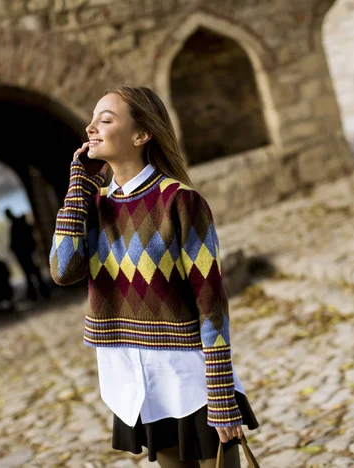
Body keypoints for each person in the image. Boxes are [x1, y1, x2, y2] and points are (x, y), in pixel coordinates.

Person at [49, 86, 258, 467]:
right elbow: (63, 271)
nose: (90, 127)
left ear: (141, 134)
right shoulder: (92, 207)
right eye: (93, 118)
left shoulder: (180, 201)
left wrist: (222, 392)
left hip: (190, 379)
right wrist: (76, 193)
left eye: (106, 119)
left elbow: (211, 301)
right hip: (134, 380)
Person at [4, 208, 50, 300]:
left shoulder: (16, 225)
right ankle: (41, 291)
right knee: (34, 272)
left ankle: (38, 292)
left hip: (26, 253)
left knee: (31, 273)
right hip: (27, 252)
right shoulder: (19, 223)